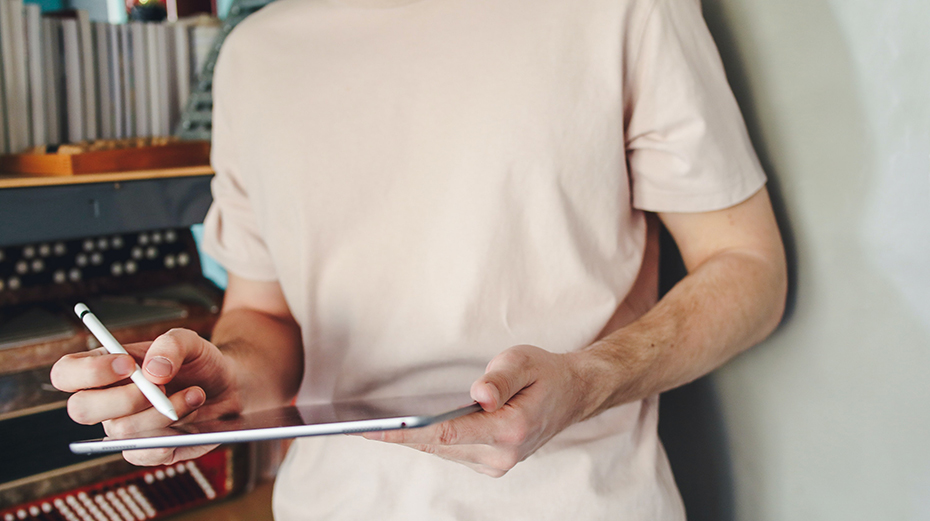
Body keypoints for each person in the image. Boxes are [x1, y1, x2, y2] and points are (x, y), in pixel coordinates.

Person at [51, 0, 787, 518]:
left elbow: (748, 266)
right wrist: (219, 381)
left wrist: (589, 379)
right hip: (325, 508)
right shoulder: (255, 56)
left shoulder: (623, 9)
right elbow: (265, 315)